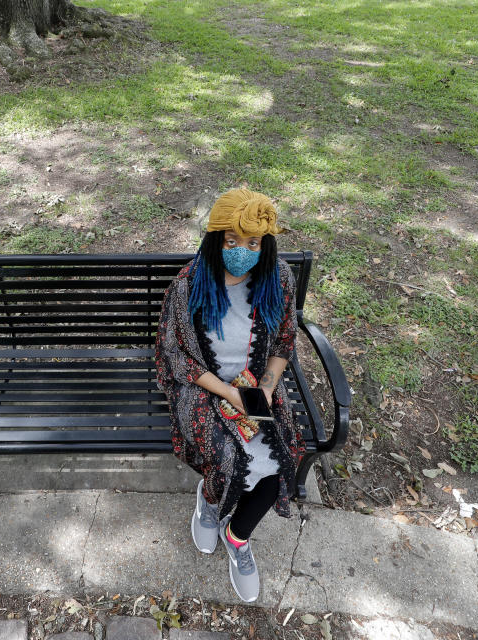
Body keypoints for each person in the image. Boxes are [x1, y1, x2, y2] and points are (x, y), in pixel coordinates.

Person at [155, 188, 308, 603]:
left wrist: (268, 387)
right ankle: (208, 499)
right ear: (216, 239)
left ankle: (237, 536)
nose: (242, 250)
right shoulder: (191, 285)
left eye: (253, 242)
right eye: (232, 241)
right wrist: (228, 393)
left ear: (266, 243)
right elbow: (176, 354)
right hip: (203, 386)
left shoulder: (277, 279)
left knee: (280, 461)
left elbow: (284, 342)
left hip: (255, 385)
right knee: (228, 455)